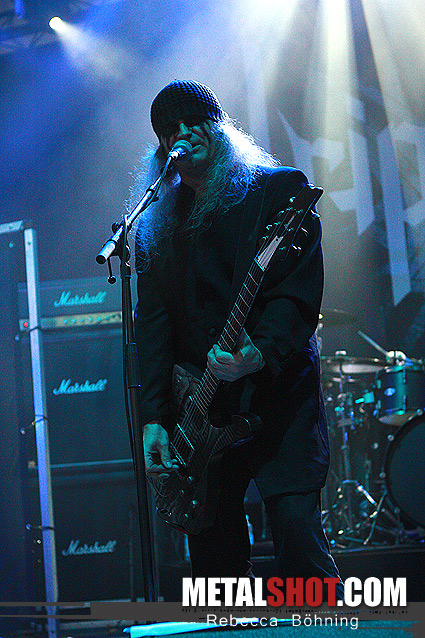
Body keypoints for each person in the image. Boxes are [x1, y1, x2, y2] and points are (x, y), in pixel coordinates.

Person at [132, 79, 342, 597]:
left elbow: (296, 292)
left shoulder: (277, 191)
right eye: (171, 129)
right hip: (200, 410)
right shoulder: (157, 222)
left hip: (276, 397)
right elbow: (153, 326)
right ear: (162, 147)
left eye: (195, 121)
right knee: (215, 571)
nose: (184, 133)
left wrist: (259, 352)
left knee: (297, 534)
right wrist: (154, 418)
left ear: (221, 126)